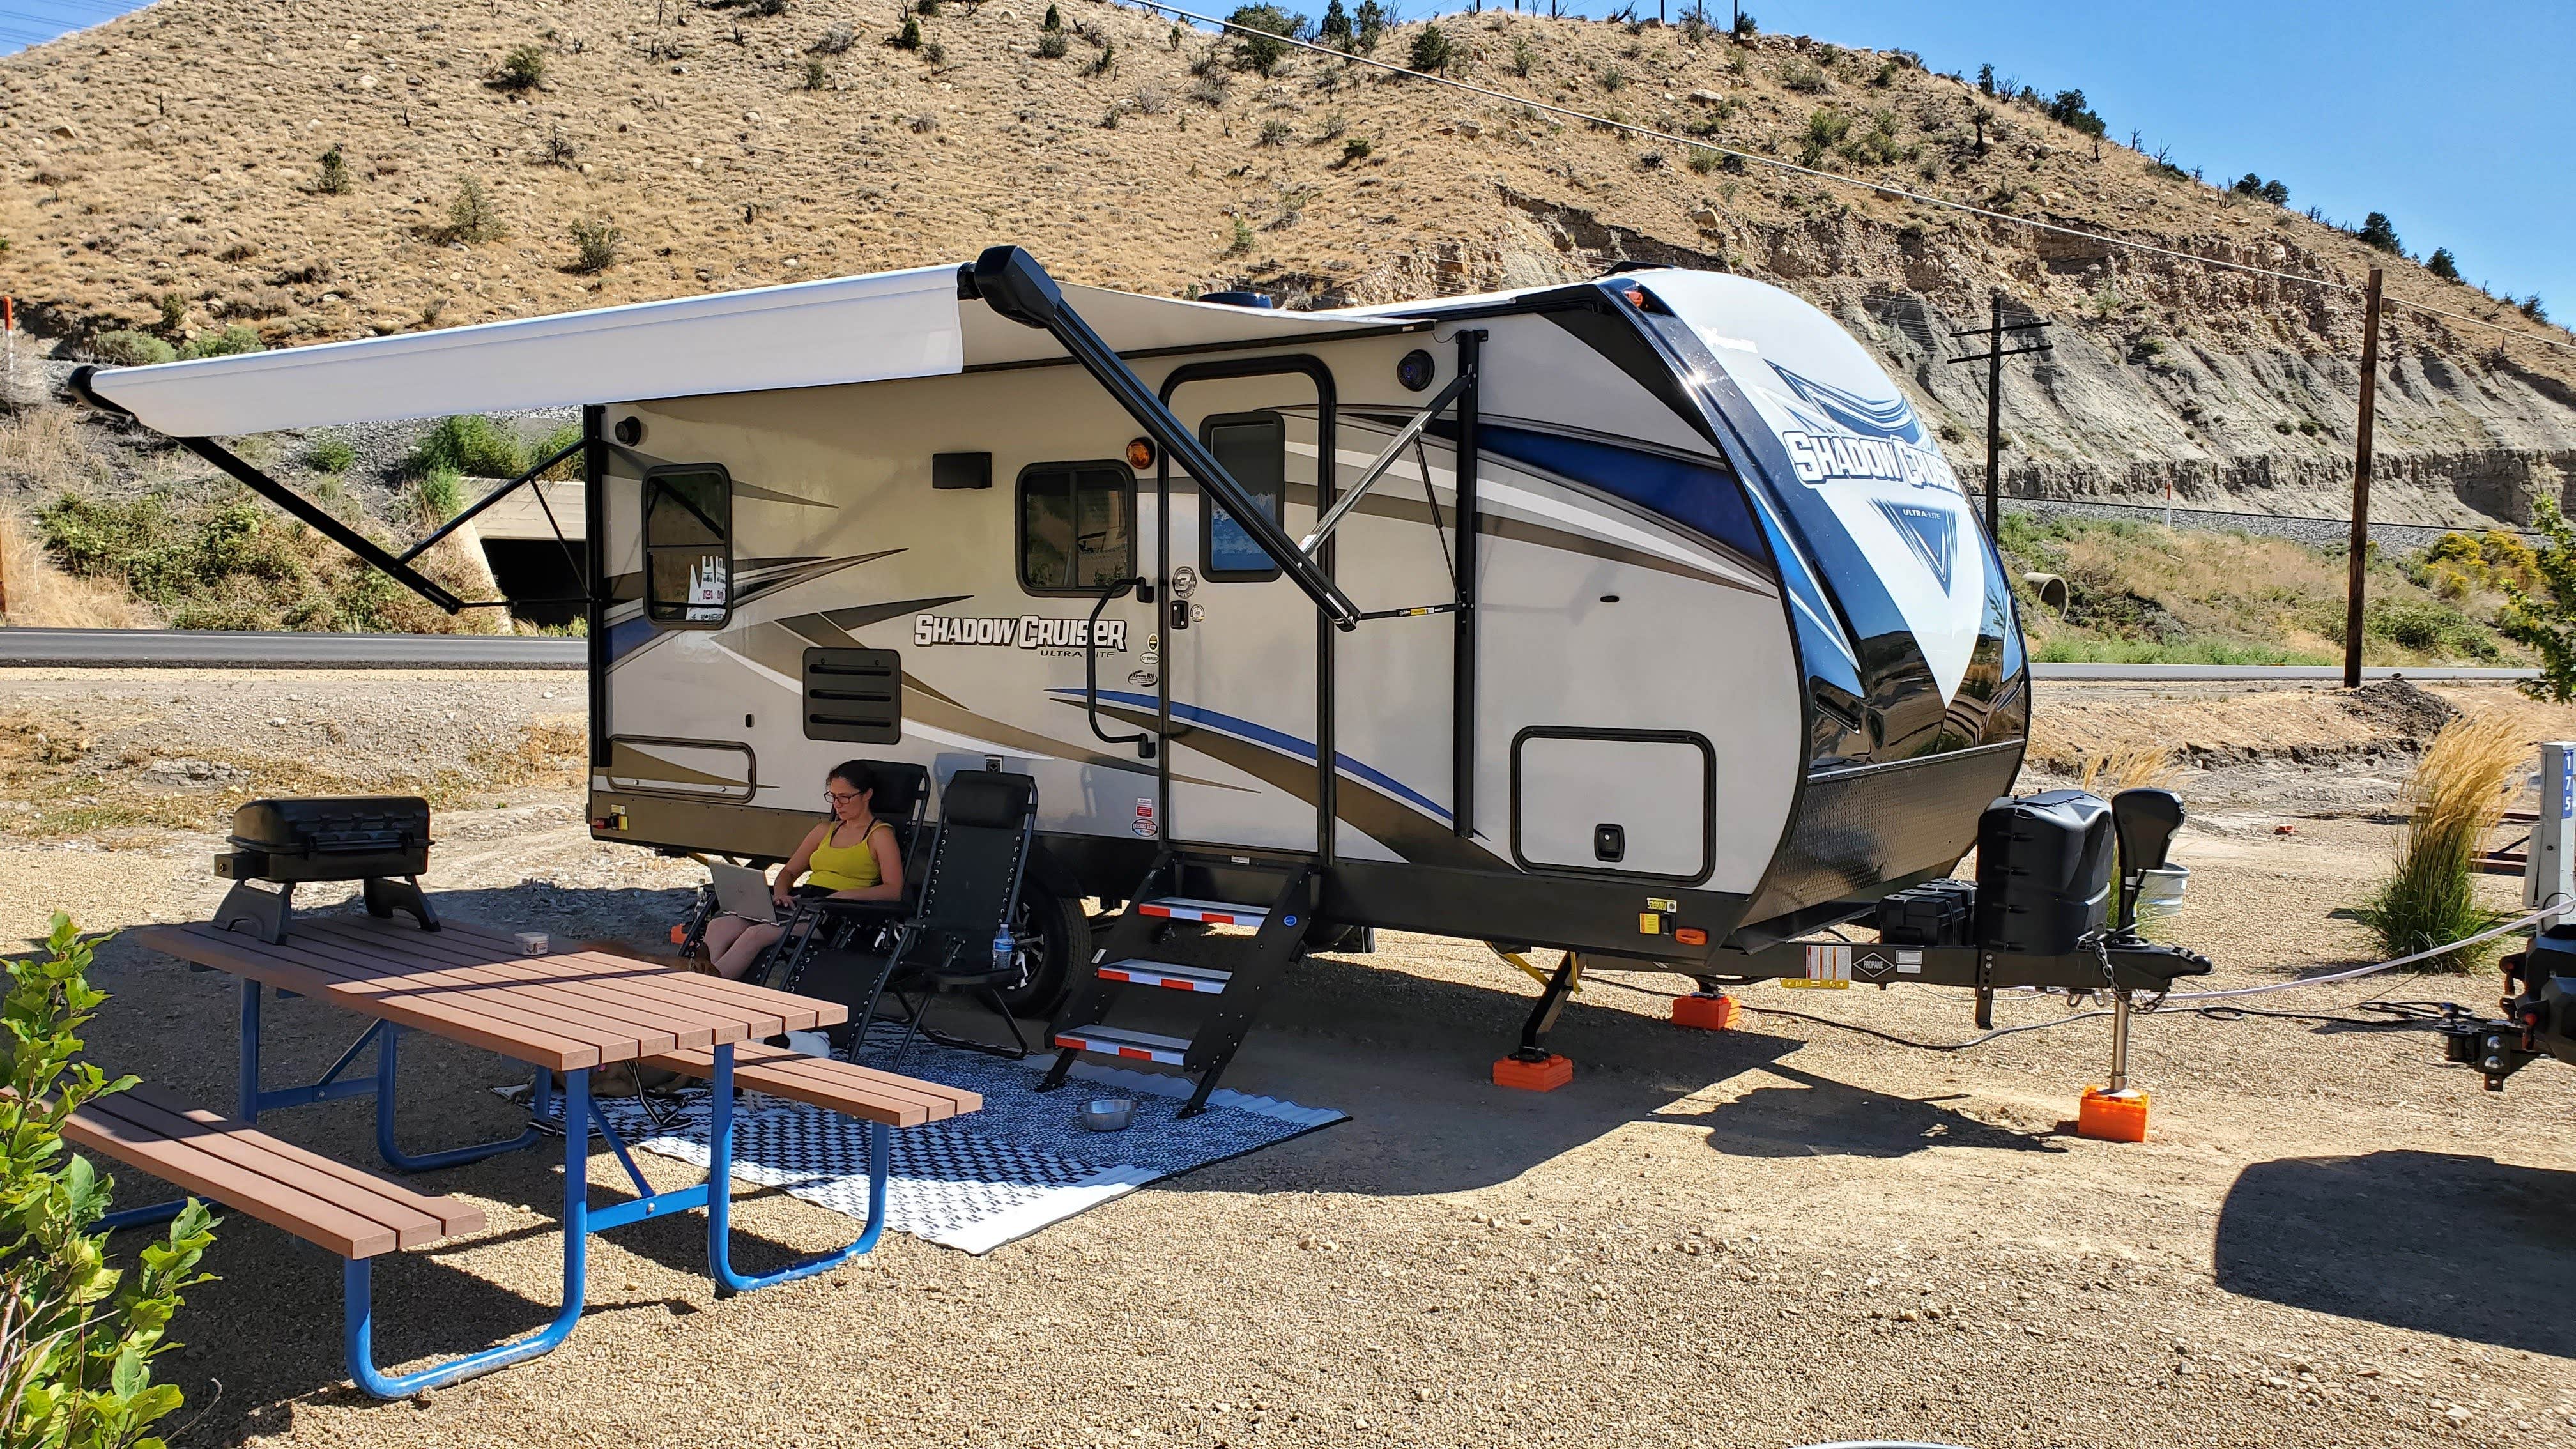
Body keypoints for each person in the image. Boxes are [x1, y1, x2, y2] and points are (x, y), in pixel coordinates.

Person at [701, 760, 905, 980]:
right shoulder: (826, 830)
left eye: (845, 797)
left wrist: (845, 896)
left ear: (867, 795)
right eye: (833, 796)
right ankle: (701, 980)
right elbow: (788, 872)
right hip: (805, 902)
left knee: (756, 934)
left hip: (841, 913)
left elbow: (893, 890)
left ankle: (710, 987)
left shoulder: (880, 835)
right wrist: (781, 894)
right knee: (720, 925)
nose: (837, 804)